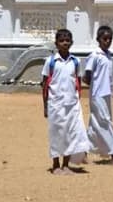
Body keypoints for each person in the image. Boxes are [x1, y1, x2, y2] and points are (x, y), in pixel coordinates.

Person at [41, 28, 91, 175]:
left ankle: (66, 164)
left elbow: (78, 82)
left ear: (72, 43)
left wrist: (77, 100)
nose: (65, 43)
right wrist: (45, 106)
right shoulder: (50, 62)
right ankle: (55, 164)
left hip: (72, 104)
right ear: (56, 43)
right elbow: (45, 84)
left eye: (67, 41)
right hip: (55, 104)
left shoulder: (75, 62)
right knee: (56, 133)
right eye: (61, 41)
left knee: (71, 133)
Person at [84, 25, 113, 165]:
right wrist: (93, 85)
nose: (107, 41)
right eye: (105, 39)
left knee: (96, 123)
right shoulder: (95, 55)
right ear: (98, 39)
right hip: (97, 94)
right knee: (105, 121)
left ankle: (84, 151)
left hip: (106, 93)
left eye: (110, 39)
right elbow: (87, 74)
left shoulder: (108, 55)